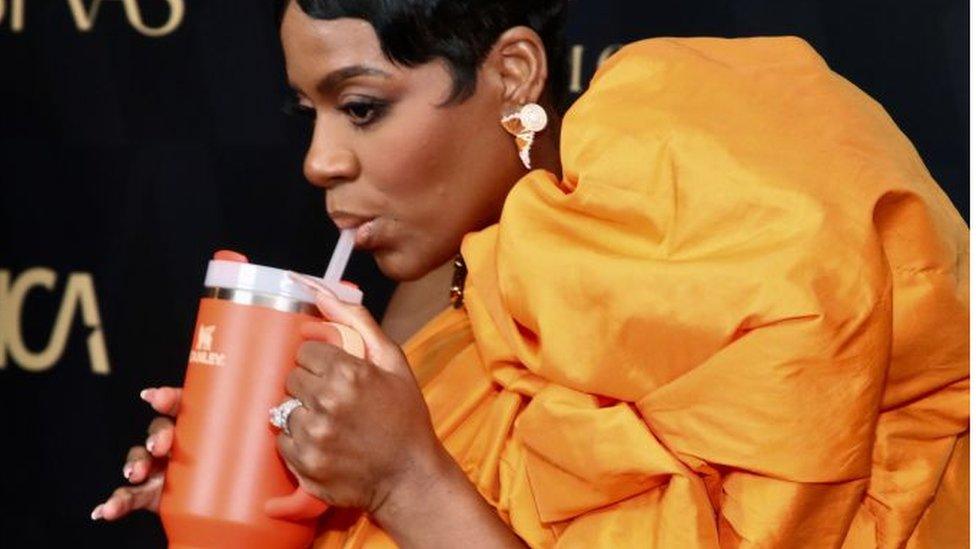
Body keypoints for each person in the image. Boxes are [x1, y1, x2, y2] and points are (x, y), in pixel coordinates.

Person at [90, 0, 969, 547]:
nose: (320, 159)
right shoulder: (431, 282)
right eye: (309, 110)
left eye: (361, 107)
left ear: (512, 72)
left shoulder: (688, 186)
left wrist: (404, 477)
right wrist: (256, 503)